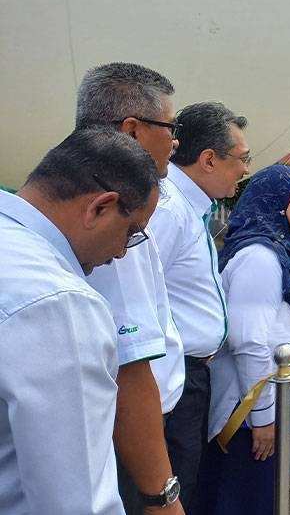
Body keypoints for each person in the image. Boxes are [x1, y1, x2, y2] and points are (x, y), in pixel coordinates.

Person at [0, 128, 160, 514]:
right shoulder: (61, 304)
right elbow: (76, 502)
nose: (122, 253)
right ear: (100, 207)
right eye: (132, 232)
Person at [75, 63, 185, 513]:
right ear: (134, 130)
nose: (175, 141)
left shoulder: (73, 190)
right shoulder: (112, 215)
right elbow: (129, 366)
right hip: (133, 440)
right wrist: (162, 495)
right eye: (170, 127)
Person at [198, 165, 290, 514]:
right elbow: (248, 343)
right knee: (249, 500)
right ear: (275, 203)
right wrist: (263, 419)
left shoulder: (278, 249)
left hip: (267, 407)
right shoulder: (261, 258)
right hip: (251, 413)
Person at [148, 101, 250, 510]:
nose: (245, 170)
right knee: (170, 491)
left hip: (190, 377)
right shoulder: (169, 209)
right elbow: (136, 300)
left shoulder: (191, 207)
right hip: (171, 382)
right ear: (209, 159)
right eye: (242, 159)